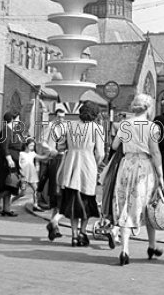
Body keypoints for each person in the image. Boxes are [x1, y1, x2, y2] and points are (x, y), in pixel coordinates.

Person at [112, 94, 164, 266]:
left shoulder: (125, 124)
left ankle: (125, 249)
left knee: (127, 204)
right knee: (149, 205)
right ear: (148, 108)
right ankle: (151, 245)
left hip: (126, 165)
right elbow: (155, 152)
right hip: (144, 166)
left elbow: (114, 146)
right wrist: (160, 174)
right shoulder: (151, 127)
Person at [57, 100, 105, 247]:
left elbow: (60, 145)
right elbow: (101, 153)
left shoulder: (69, 126)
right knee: (86, 202)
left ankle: (74, 235)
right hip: (87, 164)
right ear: (95, 114)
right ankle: (83, 232)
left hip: (71, 165)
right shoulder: (97, 128)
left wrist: (70, 148)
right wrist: (95, 164)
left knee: (73, 202)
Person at [0, 111, 23, 217]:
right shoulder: (6, 130)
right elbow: (4, 146)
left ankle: (6, 209)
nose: (19, 121)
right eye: (17, 119)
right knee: (6, 185)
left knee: (10, 186)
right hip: (5, 162)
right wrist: (9, 159)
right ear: (12, 119)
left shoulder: (13, 131)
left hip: (13, 161)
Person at [44, 107, 67, 241]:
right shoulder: (50, 126)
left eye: (63, 117)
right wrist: (50, 150)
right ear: (55, 116)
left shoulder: (67, 128)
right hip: (54, 161)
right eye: (59, 117)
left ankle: (54, 227)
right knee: (56, 195)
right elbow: (42, 141)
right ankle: (54, 225)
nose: (61, 120)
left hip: (64, 160)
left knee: (59, 196)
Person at [19, 137, 50, 211]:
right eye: (31, 145)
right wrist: (20, 174)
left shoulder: (32, 153)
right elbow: (18, 164)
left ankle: (35, 205)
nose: (32, 147)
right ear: (26, 145)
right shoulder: (21, 154)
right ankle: (9, 202)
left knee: (36, 190)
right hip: (24, 175)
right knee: (23, 193)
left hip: (31, 174)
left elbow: (42, 157)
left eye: (33, 146)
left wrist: (48, 152)